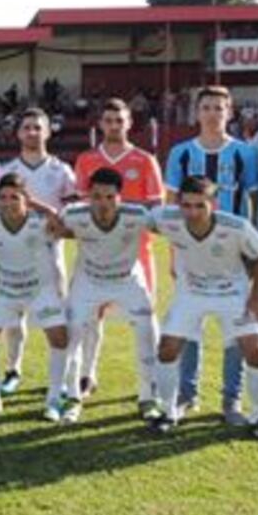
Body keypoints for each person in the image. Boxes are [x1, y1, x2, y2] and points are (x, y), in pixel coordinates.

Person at [164, 85, 258, 425]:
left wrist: (252, 248)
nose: (213, 113)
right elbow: (171, 207)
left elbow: (253, 201)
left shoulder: (244, 153)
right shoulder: (181, 153)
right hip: (192, 254)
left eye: (219, 107)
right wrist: (174, 253)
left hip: (234, 254)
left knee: (236, 330)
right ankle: (187, 394)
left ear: (229, 112)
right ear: (197, 112)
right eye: (206, 107)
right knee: (190, 326)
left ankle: (230, 401)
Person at [148, 175, 258, 440]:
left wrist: (255, 297)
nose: (192, 212)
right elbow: (136, 217)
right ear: (179, 203)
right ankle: (168, 412)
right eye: (186, 205)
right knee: (167, 348)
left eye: (199, 205)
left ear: (213, 203)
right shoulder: (167, 218)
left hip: (232, 293)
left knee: (256, 351)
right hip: (191, 292)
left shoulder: (236, 226)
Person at [50, 167, 159, 423]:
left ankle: (147, 397)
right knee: (72, 337)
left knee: (148, 334)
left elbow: (169, 226)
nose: (103, 203)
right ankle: (74, 397)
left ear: (120, 196)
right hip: (89, 281)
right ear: (88, 196)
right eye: (97, 197)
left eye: (110, 197)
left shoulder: (138, 215)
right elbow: (58, 228)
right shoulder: (74, 214)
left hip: (128, 281)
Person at [73, 99, 164, 397]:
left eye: (119, 120)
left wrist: (123, 211)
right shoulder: (86, 160)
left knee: (144, 320)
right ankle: (87, 374)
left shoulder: (144, 160)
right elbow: (80, 205)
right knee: (90, 317)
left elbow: (156, 206)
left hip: (136, 253)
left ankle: (150, 384)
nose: (114, 125)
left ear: (129, 123)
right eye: (108, 120)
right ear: (100, 124)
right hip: (94, 253)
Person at [0, 108, 77, 395]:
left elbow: (70, 215)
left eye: (37, 128)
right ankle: (13, 369)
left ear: (48, 132)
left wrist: (55, 220)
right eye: (26, 128)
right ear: (18, 133)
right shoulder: (5, 171)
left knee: (57, 317)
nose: (32, 133)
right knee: (13, 319)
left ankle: (65, 378)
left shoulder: (61, 170)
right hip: (12, 255)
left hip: (50, 255)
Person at [0, 173, 71, 422]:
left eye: (14, 197)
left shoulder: (42, 222)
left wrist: (43, 206)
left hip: (40, 291)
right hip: (2, 291)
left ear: (26, 199)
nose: (7, 202)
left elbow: (63, 227)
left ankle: (53, 400)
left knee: (60, 338)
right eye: (3, 197)